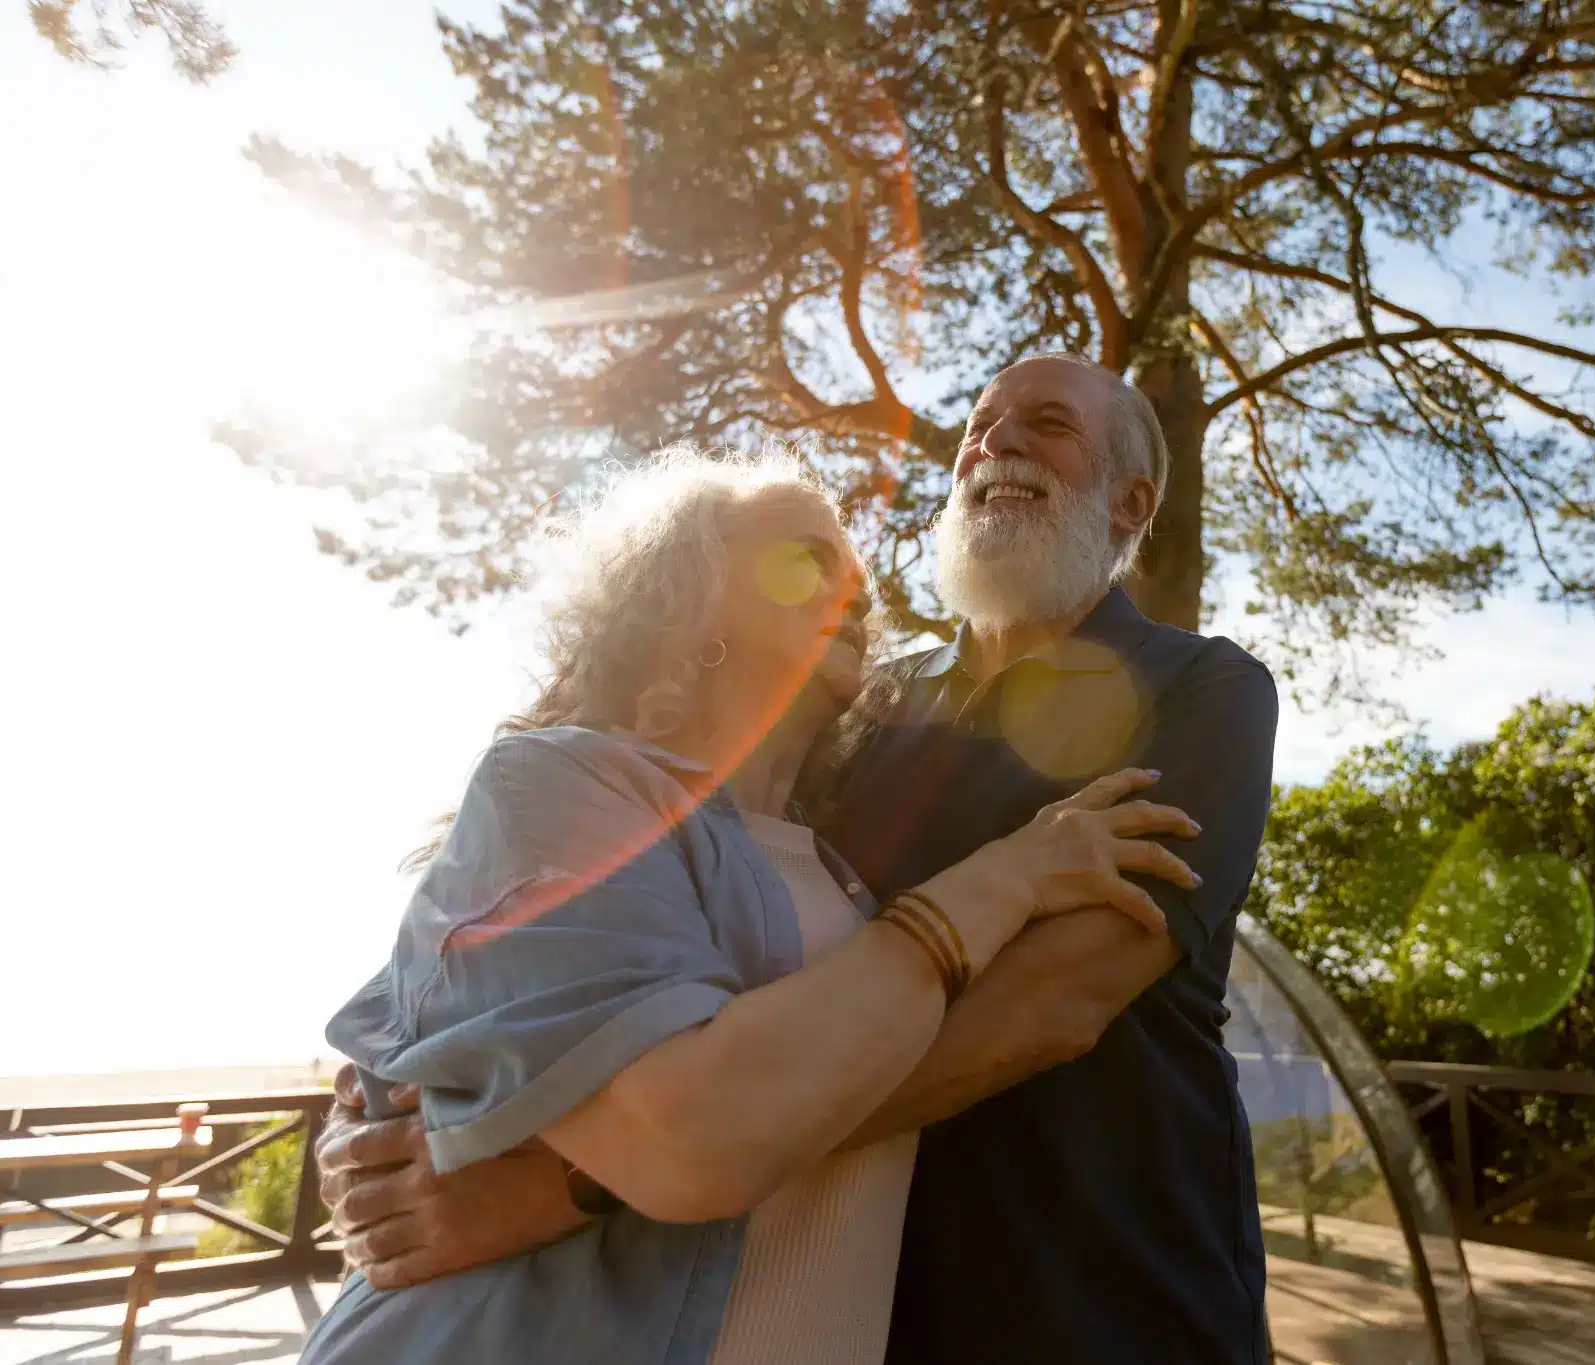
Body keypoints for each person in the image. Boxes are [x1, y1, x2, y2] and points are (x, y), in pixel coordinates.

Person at [318, 354, 1283, 1364]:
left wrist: (557, 1189)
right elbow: (645, 912)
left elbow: (1055, 1003)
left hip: (1103, 1292)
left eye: (1045, 424)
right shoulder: (864, 714)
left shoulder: (1205, 690)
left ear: (1131, 503)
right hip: (855, 1298)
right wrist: (385, 1116)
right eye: (978, 425)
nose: (991, 443)